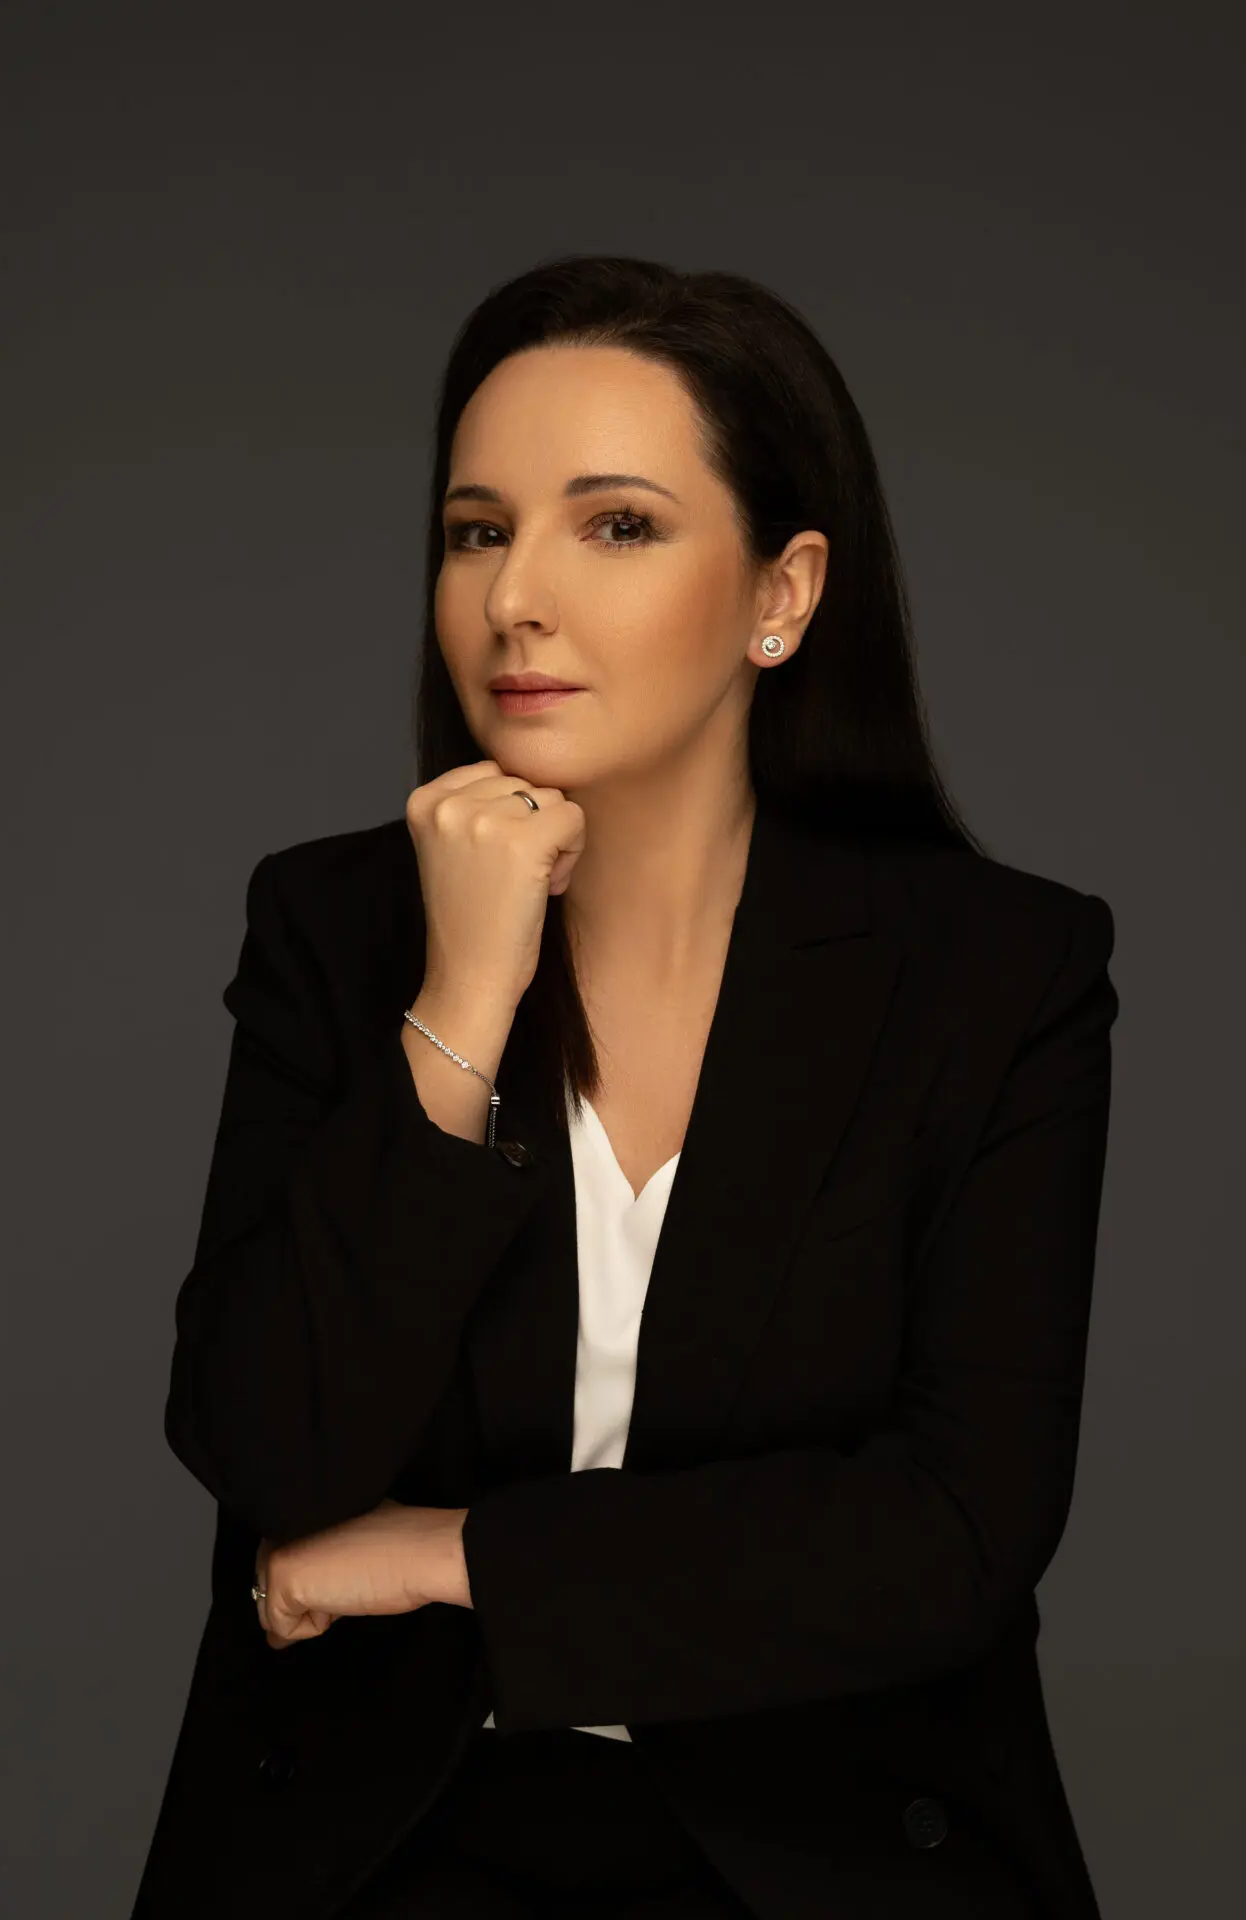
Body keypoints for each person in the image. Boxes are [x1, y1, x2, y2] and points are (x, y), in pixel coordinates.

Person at [131, 253, 1119, 1920]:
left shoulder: (993, 974)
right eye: (476, 530)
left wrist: (455, 1556)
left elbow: (951, 1530)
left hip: (830, 1858)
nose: (515, 597)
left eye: (616, 526)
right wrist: (462, 999)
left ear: (782, 592)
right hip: (389, 1851)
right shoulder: (334, 929)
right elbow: (268, 1445)